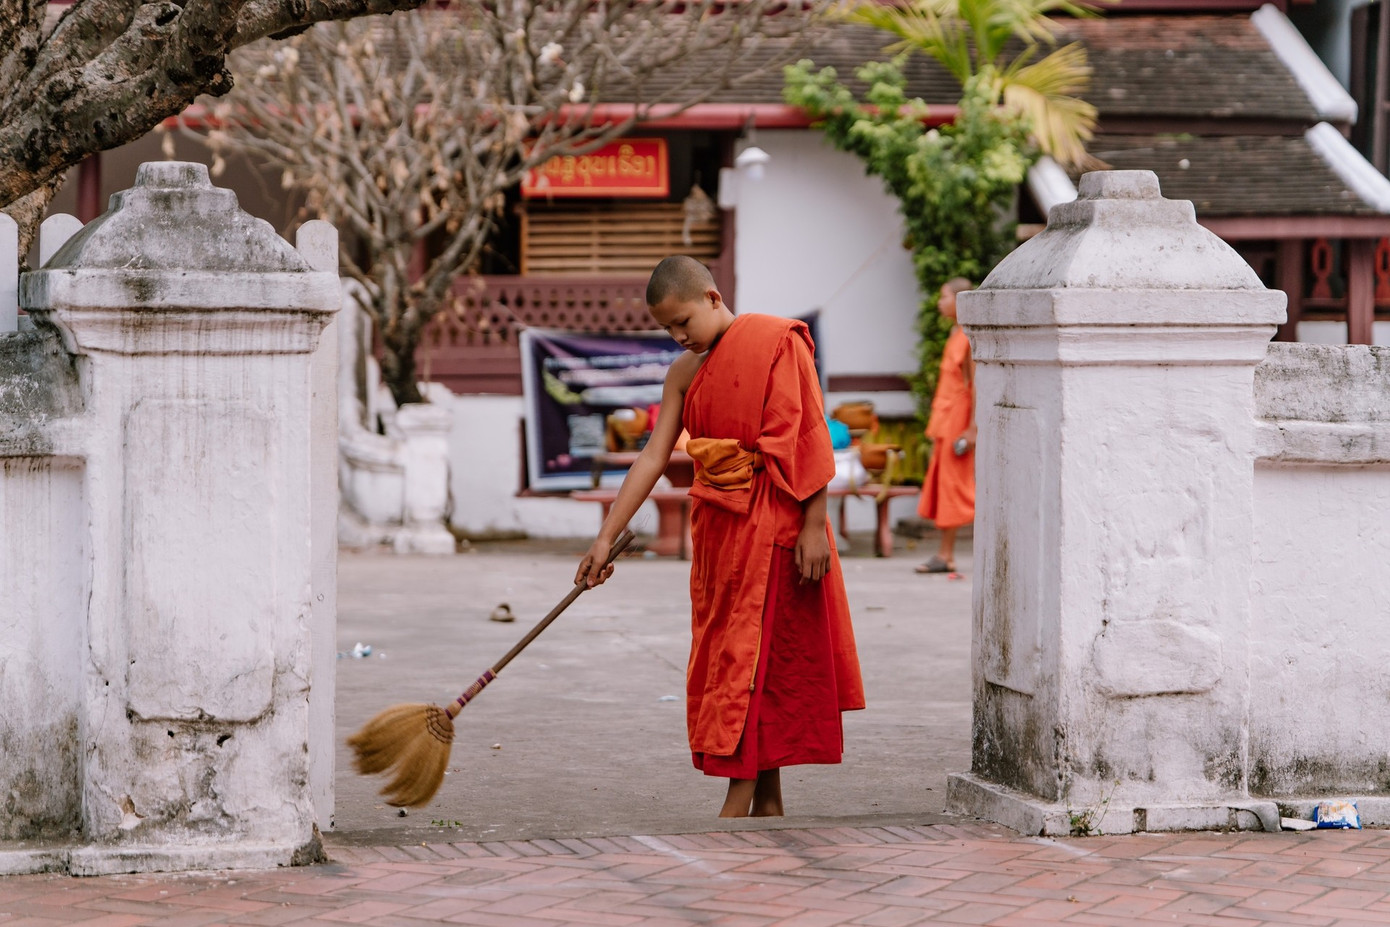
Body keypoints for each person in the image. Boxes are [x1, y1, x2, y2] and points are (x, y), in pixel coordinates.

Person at [576, 255, 865, 818]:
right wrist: (605, 536)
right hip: (719, 533)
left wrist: (813, 526)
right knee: (734, 658)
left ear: (712, 297)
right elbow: (654, 455)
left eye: (683, 321)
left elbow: (806, 433)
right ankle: (769, 802)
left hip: (780, 519)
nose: (679, 336)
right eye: (667, 329)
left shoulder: (779, 343)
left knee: (758, 661)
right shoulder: (684, 373)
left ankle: (738, 799)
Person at [915, 278, 976, 575]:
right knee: (945, 483)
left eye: (944, 297)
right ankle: (945, 554)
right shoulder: (956, 334)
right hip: (946, 417)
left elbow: (975, 385)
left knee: (954, 486)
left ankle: (946, 554)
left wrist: (972, 429)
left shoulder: (969, 336)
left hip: (959, 419)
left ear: (959, 300)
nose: (939, 303)